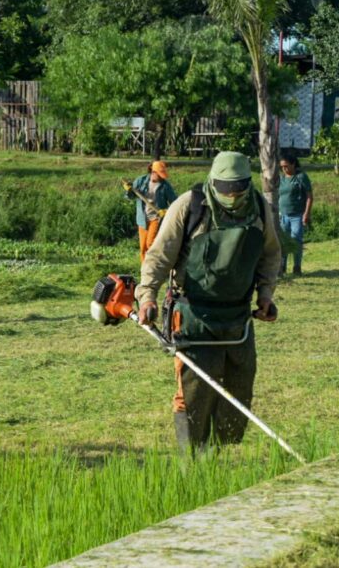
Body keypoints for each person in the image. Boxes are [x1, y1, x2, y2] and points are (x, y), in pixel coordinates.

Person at [135, 151, 281, 452]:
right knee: (193, 390)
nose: (233, 195)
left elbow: (270, 255)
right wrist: (147, 296)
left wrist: (265, 295)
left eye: (239, 188)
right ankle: (191, 458)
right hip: (193, 315)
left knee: (238, 389)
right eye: (226, 188)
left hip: (237, 317)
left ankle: (219, 454)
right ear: (213, 183)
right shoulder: (189, 206)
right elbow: (159, 257)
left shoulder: (259, 209)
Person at [124, 160, 178, 262]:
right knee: (143, 248)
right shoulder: (141, 181)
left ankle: (156, 266)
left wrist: (166, 211)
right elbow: (131, 197)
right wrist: (128, 190)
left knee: (150, 244)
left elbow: (175, 202)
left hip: (156, 218)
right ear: (153, 172)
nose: (161, 177)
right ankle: (145, 270)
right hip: (142, 219)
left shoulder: (165, 186)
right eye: (159, 174)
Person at [278, 153, 313, 275]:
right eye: (282, 167)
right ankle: (282, 267)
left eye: (286, 166)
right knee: (283, 242)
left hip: (297, 215)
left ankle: (297, 267)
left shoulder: (301, 177)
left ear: (293, 164)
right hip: (283, 215)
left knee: (296, 240)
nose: (284, 169)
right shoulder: (281, 178)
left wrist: (306, 214)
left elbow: (309, 196)